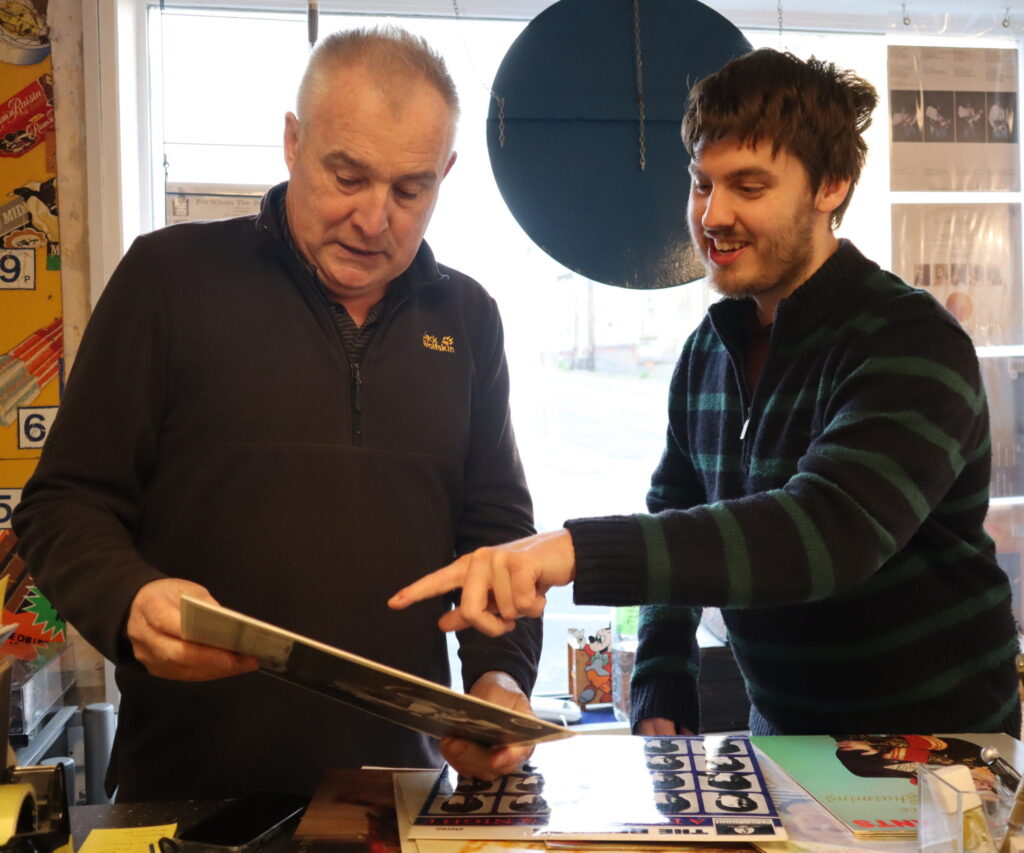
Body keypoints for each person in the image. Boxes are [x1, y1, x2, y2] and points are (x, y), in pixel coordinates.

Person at [391, 48, 1020, 739]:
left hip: (940, 752)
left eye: (748, 186)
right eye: (700, 184)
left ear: (831, 184)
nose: (712, 215)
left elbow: (824, 534)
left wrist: (571, 550)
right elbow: (681, 512)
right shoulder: (707, 353)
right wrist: (662, 680)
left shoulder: (910, 340)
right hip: (784, 739)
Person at [12, 26, 541, 801]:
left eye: (409, 189)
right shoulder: (168, 279)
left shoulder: (469, 318)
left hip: (404, 799)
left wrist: (500, 681)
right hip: (184, 797)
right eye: (348, 175)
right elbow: (62, 506)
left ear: (446, 174)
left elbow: (496, 536)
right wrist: (130, 599)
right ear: (293, 142)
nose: (374, 219)